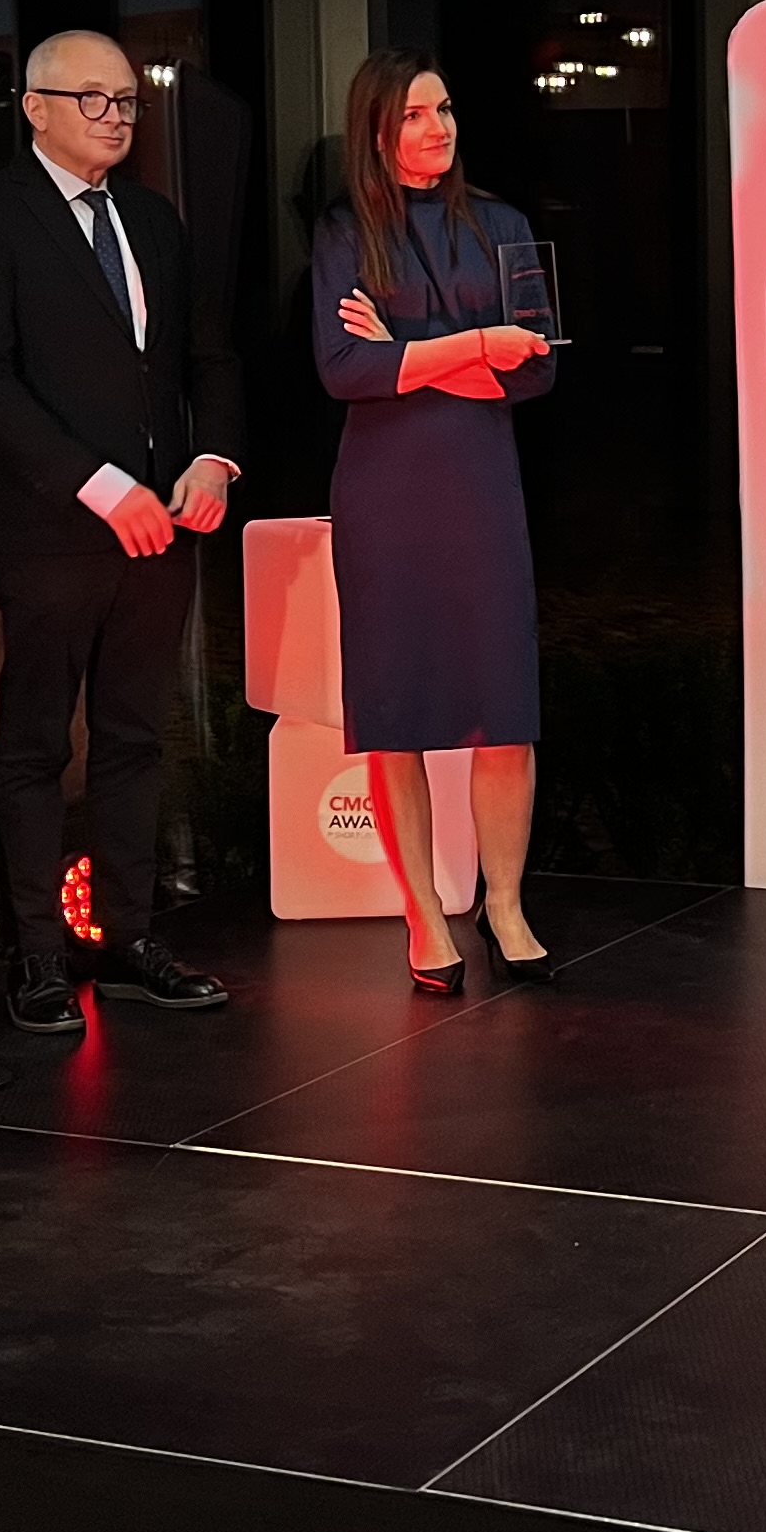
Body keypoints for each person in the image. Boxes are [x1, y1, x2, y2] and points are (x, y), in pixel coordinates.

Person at [0, 28, 247, 1037]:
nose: (117, 117)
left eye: (127, 102)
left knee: (136, 735)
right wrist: (100, 485)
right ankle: (35, 954)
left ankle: (127, 938)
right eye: (94, 100)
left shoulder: (152, 219)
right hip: (47, 526)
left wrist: (214, 459)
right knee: (36, 738)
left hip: (164, 523)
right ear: (35, 108)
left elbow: (208, 354)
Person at [313, 51, 558, 993]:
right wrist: (477, 347)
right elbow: (345, 370)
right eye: (414, 114)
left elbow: (538, 367)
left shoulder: (503, 225)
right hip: (384, 495)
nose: (437, 128)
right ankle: (424, 914)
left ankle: (506, 904)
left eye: (445, 108)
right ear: (377, 130)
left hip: (481, 485)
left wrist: (413, 354)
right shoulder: (345, 231)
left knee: (504, 707)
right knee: (397, 710)